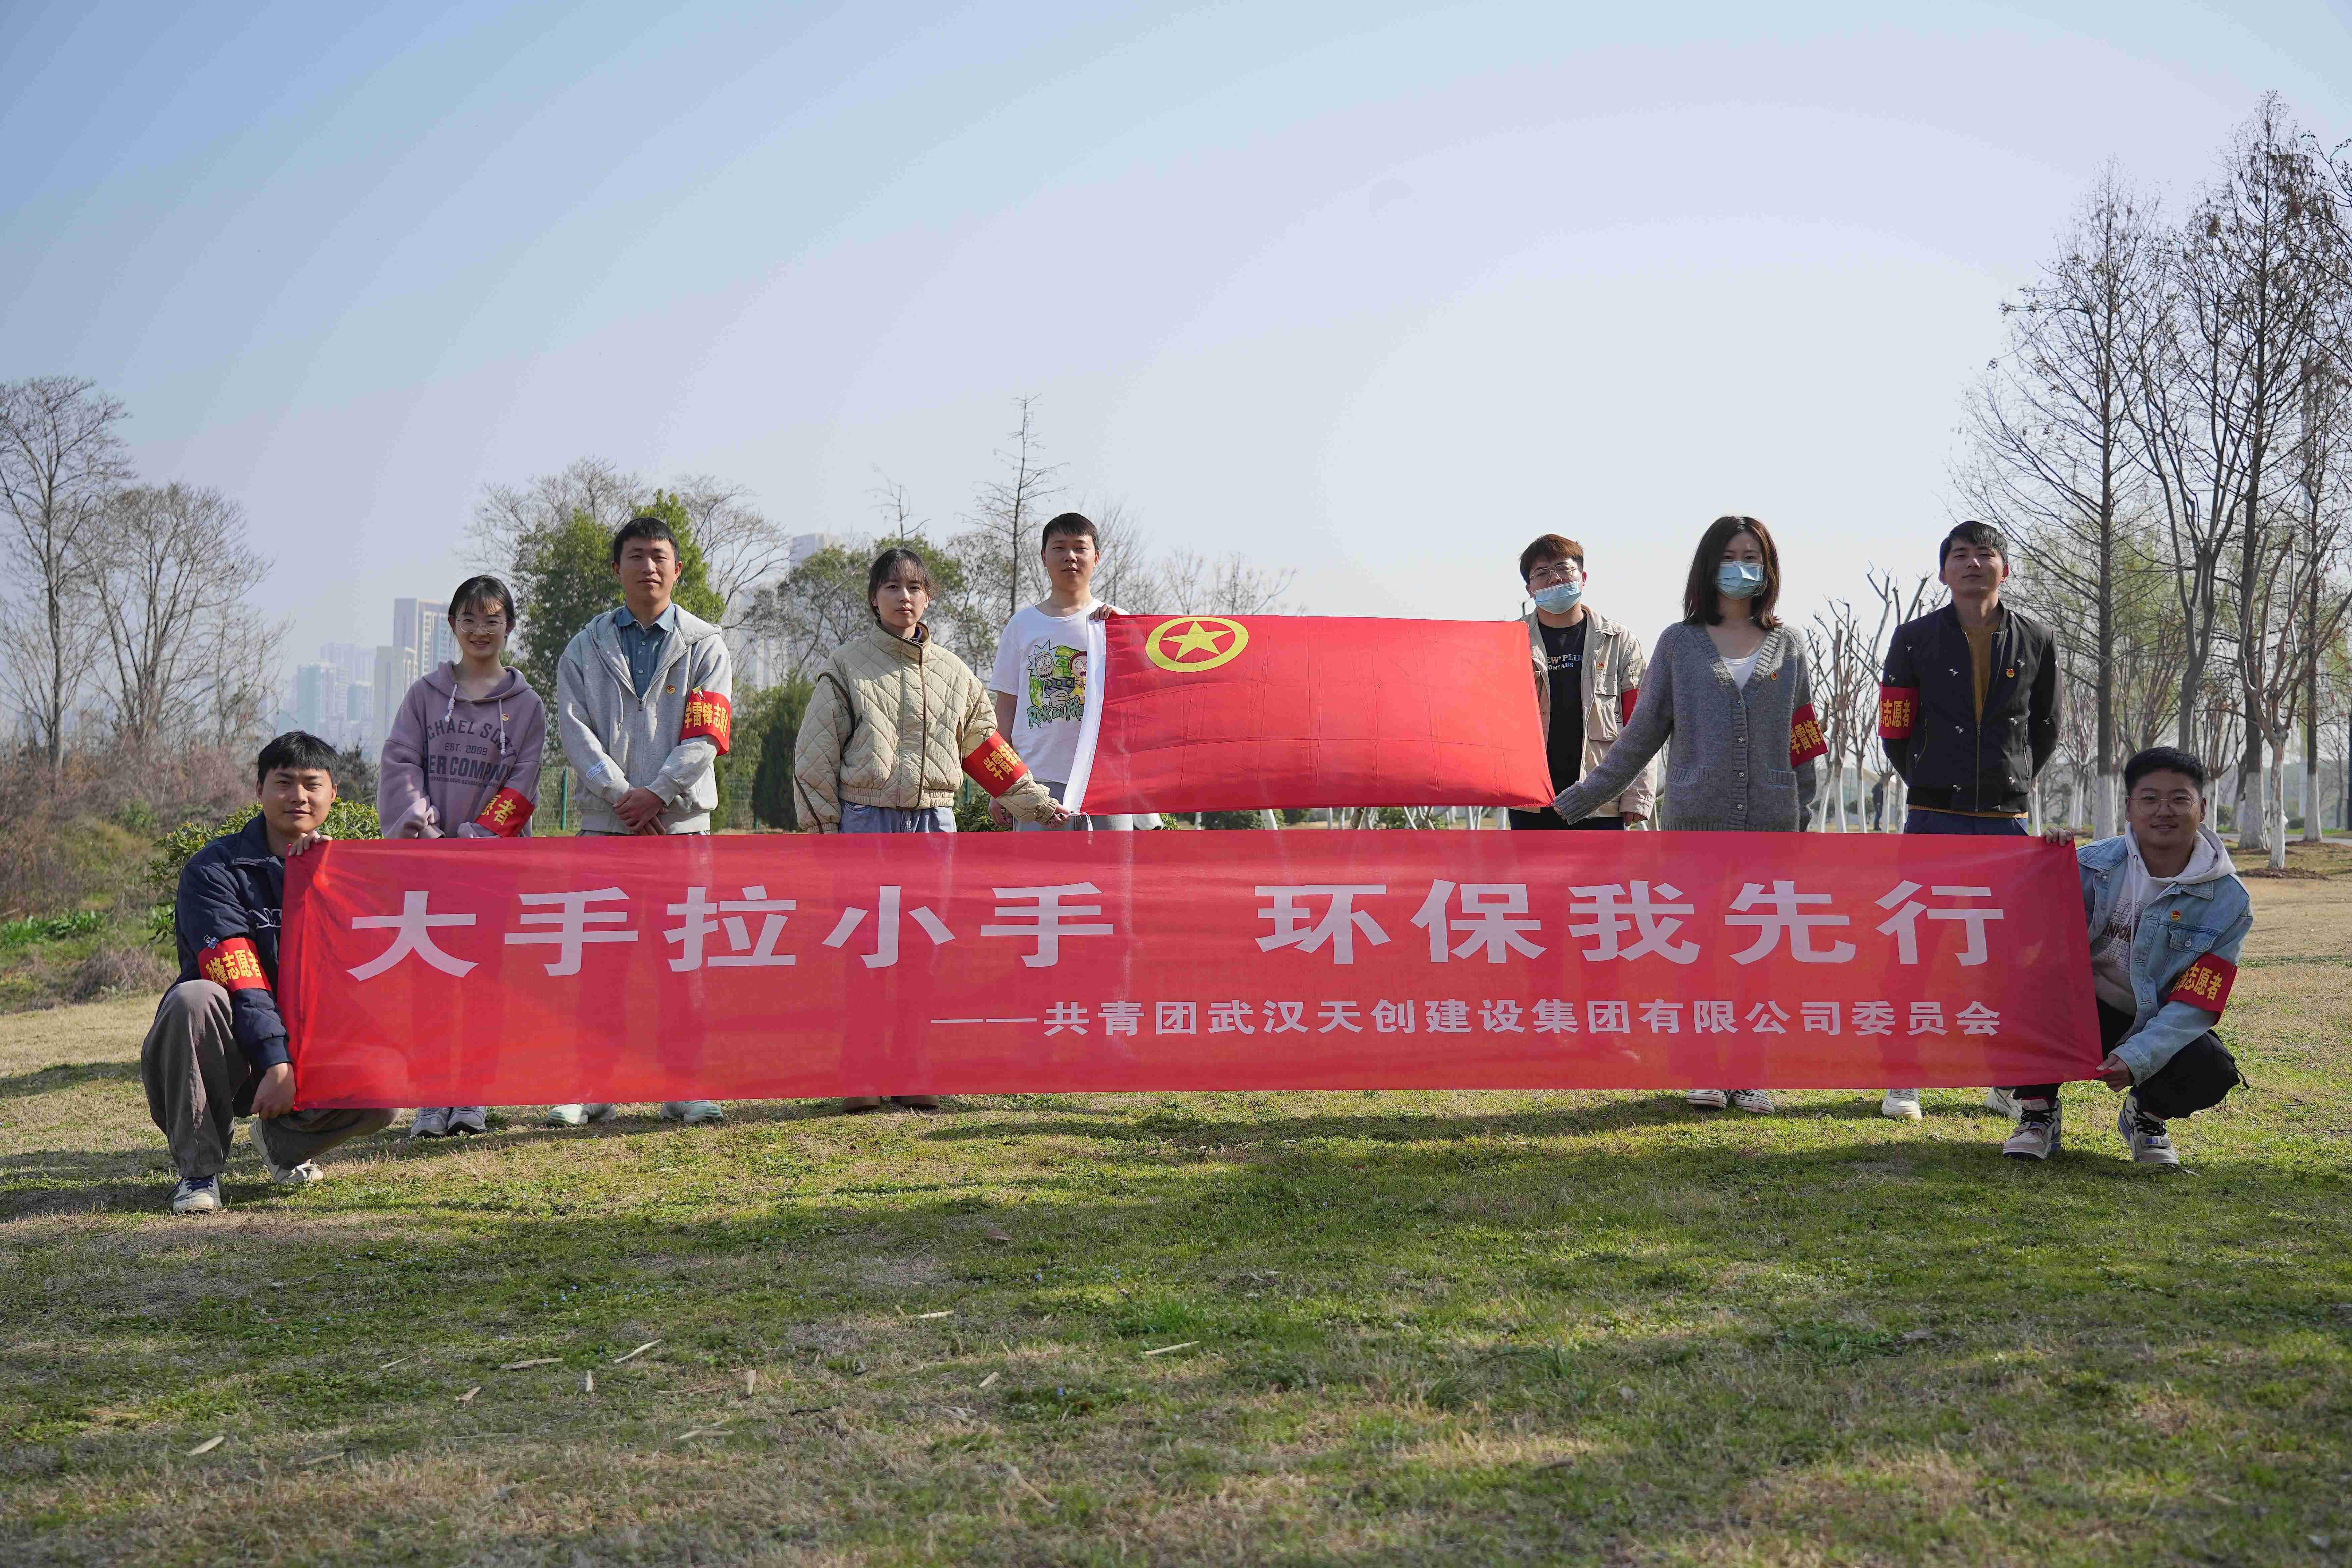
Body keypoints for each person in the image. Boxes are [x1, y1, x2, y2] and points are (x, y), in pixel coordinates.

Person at [1549, 515, 1824, 1115]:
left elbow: (1803, 738)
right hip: (1696, 819)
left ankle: (1750, 1071)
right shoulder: (1679, 641)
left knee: (1758, 949)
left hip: (1771, 822)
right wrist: (1575, 799)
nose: (1741, 565)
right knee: (1698, 949)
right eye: (1729, 554)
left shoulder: (1791, 643)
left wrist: (1803, 815)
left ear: (1767, 567)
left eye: (1751, 555)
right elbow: (1641, 733)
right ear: (1708, 565)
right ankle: (1701, 1064)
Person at [795, 546, 1069, 1112]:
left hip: (933, 825)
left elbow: (987, 749)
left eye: (915, 588)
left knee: (922, 952)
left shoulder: (953, 674)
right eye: (892, 588)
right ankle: (862, 1075)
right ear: (873, 598)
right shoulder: (846, 666)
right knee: (865, 952)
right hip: (865, 820)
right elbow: (814, 755)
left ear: (929, 598)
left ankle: (913, 1069)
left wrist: (1034, 803)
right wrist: (823, 831)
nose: (904, 597)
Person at [143, 733, 394, 1213]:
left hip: (310, 1043)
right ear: (259, 790)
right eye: (283, 783)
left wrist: (327, 878)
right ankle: (199, 1172)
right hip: (230, 1047)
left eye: (311, 784)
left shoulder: (349, 876)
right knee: (194, 998)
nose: (298, 796)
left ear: (333, 794)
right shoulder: (213, 870)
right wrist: (277, 1059)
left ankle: (283, 1146)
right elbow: (240, 976)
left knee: (387, 1087)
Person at [549, 515, 735, 1129]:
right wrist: (621, 793)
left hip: (680, 830)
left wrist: (657, 793)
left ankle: (685, 1087)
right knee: (600, 964)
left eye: (659, 556)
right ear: (617, 568)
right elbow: (573, 729)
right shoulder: (585, 645)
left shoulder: (705, 643)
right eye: (635, 556)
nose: (648, 567)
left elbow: (708, 732)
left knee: (684, 964)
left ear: (677, 569)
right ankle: (590, 1086)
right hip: (606, 829)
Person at [1875, 519, 2061, 1121]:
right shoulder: (1913, 638)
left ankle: (2006, 1081)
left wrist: (2011, 778)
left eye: (1985, 554)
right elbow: (1894, 727)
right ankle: (1903, 1079)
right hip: (1932, 817)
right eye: (1960, 555)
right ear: (1943, 571)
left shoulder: (2035, 637)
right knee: (1914, 952)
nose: (1973, 564)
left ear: (2004, 568)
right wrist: (1928, 776)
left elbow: (2045, 727)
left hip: (2005, 820)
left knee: (2005, 958)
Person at [2000, 746, 2248, 1166]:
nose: (2163, 811)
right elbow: (2024, 930)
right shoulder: (2090, 865)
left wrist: (2140, 1057)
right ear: (2130, 808)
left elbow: (2197, 1002)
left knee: (2214, 1069)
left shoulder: (2229, 901)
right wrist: (2047, 861)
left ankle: (2146, 1117)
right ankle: (2038, 1112)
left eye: (2179, 799)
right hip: (2077, 1010)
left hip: (2152, 1018)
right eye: (2150, 799)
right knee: (2015, 1003)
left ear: (2202, 808)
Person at [378, 575, 547, 1139]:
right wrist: (424, 830)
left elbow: (524, 783)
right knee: (430, 981)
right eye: (470, 619)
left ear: (509, 628)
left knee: (483, 982)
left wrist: (476, 839)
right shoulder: (425, 695)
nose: (481, 630)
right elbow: (401, 760)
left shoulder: (526, 707)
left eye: (493, 619)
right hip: (428, 864)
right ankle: (430, 1099)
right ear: (451, 625)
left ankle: (472, 1094)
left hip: (491, 870)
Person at [986, 512, 1159, 831]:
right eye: (1059, 548)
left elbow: (1143, 702)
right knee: (1042, 879)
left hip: (1107, 778)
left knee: (1112, 877)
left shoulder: (1118, 622)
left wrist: (1125, 634)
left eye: (1080, 548)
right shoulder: (1022, 625)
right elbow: (1006, 708)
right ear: (1043, 557)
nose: (1070, 557)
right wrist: (1003, 784)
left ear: (1097, 557)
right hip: (1036, 782)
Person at [1509, 533, 1652, 830]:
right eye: (1542, 573)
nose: (1555, 579)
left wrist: (1638, 797)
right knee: (1532, 878)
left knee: (1603, 879)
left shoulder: (1620, 642)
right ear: (1530, 589)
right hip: (1530, 799)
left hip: (1600, 798)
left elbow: (1641, 724)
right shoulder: (1508, 643)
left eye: (1564, 568)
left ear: (1583, 577)